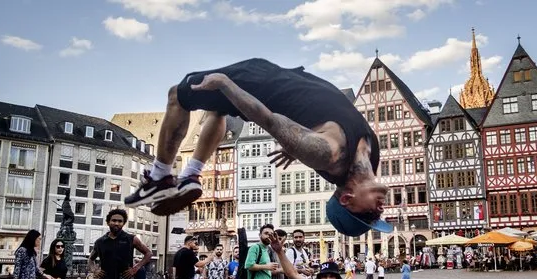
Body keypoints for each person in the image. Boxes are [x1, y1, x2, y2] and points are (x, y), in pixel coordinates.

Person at [123, 58, 393, 237]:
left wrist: (225, 83)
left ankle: (160, 177)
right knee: (215, 109)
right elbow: (318, 128)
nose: (380, 210)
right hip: (281, 78)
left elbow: (269, 119)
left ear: (346, 199)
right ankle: (192, 173)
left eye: (369, 214)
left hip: (261, 83)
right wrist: (296, 143)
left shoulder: (328, 154)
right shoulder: (373, 155)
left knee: (177, 94)